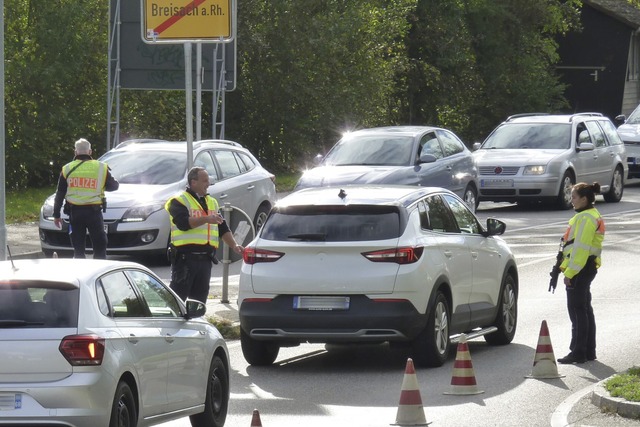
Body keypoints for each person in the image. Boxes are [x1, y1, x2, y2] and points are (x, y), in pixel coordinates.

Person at [165, 166, 244, 303]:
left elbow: (222, 228)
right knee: (178, 301)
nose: (208, 184)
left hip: (205, 261)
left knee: (199, 303)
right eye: (205, 181)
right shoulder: (178, 201)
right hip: (185, 260)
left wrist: (234, 245)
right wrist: (207, 219)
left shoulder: (211, 202)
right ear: (193, 182)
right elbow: (183, 224)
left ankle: (197, 323)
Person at [557, 182, 605, 364]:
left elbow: (580, 249)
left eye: (574, 197)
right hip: (587, 267)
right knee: (584, 309)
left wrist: (569, 273)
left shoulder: (585, 218)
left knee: (577, 311)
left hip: (581, 268)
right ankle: (588, 351)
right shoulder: (590, 215)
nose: (572, 200)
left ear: (584, 199)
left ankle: (578, 352)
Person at [53, 138, 119, 259]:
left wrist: (56, 215)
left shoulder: (66, 169)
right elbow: (114, 186)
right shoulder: (101, 167)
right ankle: (99, 272)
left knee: (78, 249)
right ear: (90, 152)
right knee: (100, 246)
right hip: (94, 213)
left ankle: (80, 273)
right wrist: (99, 186)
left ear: (75, 152)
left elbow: (60, 193)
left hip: (75, 213)